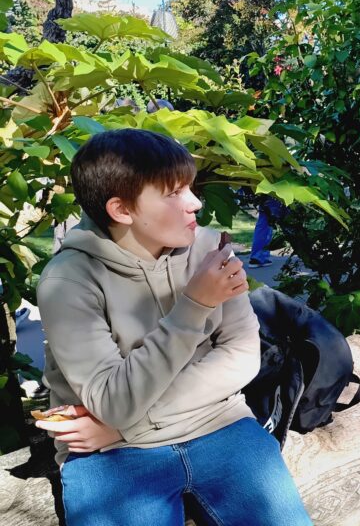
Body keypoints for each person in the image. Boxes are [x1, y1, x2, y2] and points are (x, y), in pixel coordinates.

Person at [36, 129, 311, 525]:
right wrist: (195, 306)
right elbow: (113, 402)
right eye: (174, 192)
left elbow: (242, 357)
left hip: (213, 426)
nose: (195, 203)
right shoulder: (68, 281)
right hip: (113, 458)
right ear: (122, 210)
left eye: (190, 188)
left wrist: (123, 429)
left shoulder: (209, 249)